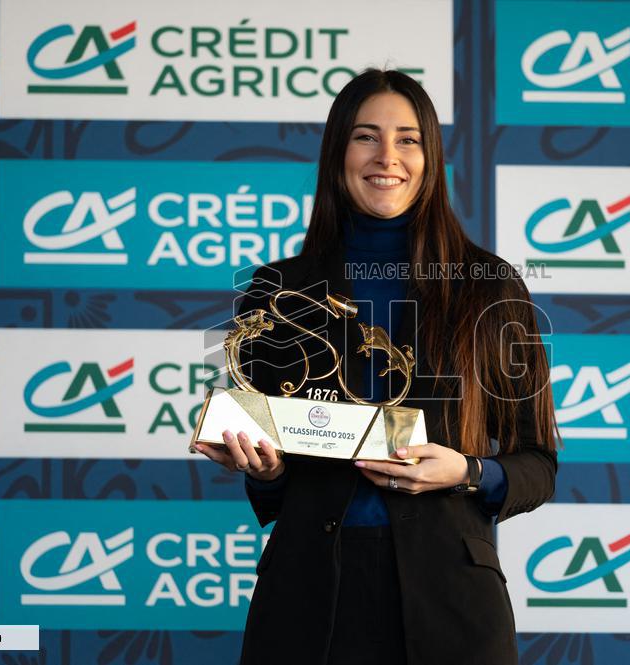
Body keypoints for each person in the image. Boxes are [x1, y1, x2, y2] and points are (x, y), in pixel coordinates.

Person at [193, 69, 558, 665]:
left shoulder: (489, 288)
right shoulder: (277, 288)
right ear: (339, 152)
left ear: (430, 157)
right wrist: (262, 468)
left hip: (452, 605)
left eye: (408, 139)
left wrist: (465, 471)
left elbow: (538, 464)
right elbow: (275, 479)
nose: (387, 156)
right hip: (306, 600)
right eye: (366, 136)